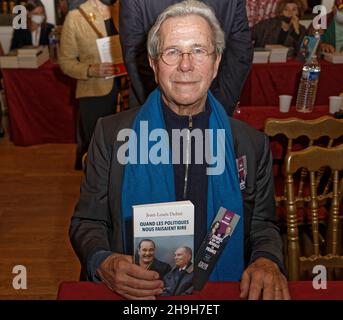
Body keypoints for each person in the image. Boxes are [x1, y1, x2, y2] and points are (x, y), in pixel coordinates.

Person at [69, 0, 290, 300]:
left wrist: (267, 259)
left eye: (198, 51)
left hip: (219, 292)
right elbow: (88, 222)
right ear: (153, 62)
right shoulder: (110, 136)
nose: (186, 65)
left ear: (216, 62)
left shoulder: (250, 145)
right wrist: (103, 261)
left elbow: (263, 226)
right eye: (172, 52)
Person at [119, 0, 253, 115]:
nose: (185, 65)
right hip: (158, 109)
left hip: (206, 105)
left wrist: (219, 105)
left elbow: (240, 52)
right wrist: (220, 105)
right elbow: (136, 56)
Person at [59, 0, 119, 170]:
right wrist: (91, 69)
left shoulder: (127, 9)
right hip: (94, 94)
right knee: (97, 155)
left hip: (128, 90)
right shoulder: (76, 17)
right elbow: (65, 61)